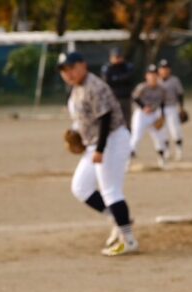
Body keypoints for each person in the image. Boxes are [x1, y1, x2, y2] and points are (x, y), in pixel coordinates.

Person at [58, 51, 138, 257]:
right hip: (94, 143)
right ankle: (118, 220)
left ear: (83, 65)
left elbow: (105, 117)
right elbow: (84, 117)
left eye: (72, 68)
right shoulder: (76, 89)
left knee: (111, 191)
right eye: (64, 71)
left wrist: (101, 149)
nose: (69, 74)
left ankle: (128, 240)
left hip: (111, 140)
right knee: (81, 187)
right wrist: (76, 133)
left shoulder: (94, 86)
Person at [129, 64, 169, 169]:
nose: (153, 76)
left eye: (155, 74)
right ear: (146, 76)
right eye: (150, 74)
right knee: (136, 137)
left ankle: (162, 161)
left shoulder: (162, 89)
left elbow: (163, 102)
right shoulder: (142, 87)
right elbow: (134, 97)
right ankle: (127, 162)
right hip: (141, 115)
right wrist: (143, 107)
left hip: (154, 114)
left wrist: (163, 115)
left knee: (160, 137)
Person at [101, 47, 136, 129]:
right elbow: (107, 81)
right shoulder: (108, 68)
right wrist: (120, 78)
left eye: (119, 57)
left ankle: (128, 139)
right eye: (115, 57)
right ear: (111, 58)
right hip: (112, 99)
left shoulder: (127, 66)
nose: (118, 59)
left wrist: (115, 78)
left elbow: (129, 78)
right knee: (112, 122)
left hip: (125, 98)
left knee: (127, 122)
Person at [157, 59, 186, 161]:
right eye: (162, 68)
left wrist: (181, 108)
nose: (164, 70)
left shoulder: (174, 80)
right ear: (159, 70)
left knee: (175, 130)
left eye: (166, 68)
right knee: (163, 132)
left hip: (171, 107)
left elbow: (180, 94)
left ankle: (179, 150)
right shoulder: (156, 81)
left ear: (170, 70)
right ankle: (166, 152)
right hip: (160, 109)